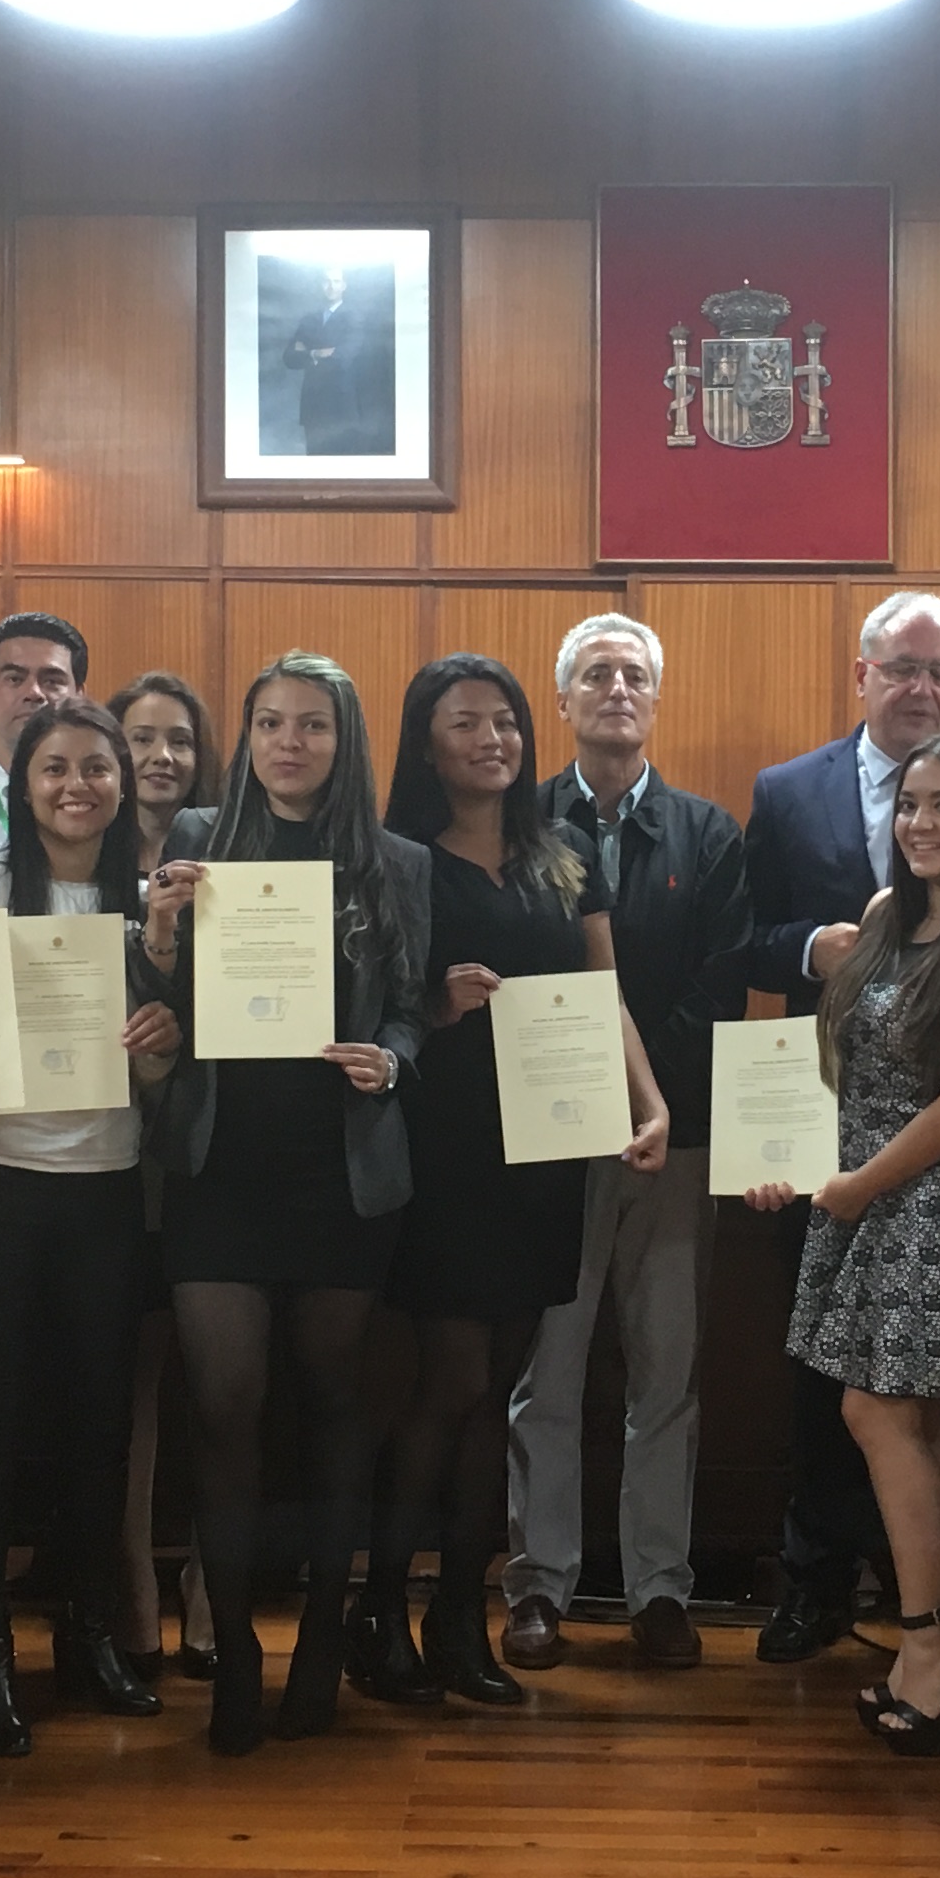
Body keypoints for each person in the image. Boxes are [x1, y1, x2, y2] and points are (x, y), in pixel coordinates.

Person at [745, 591, 940, 1677]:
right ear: (864, 672)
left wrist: (852, 1184)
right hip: (857, 1187)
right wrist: (790, 1159)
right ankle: (939, 1625)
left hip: (930, 1195)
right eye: (911, 808)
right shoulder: (882, 910)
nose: (922, 823)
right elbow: (821, 1043)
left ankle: (930, 1637)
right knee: (898, 1419)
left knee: (895, 1413)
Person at [135, 652, 431, 1756]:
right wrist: (162, 931)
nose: (290, 742)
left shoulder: (395, 862)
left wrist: (390, 1062)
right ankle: (236, 1658)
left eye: (312, 725)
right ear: (247, 738)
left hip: (341, 1175)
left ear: (344, 742)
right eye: (270, 723)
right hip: (220, 1169)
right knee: (226, 1407)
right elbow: (160, 1000)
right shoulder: (200, 840)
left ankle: (317, 1640)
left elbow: (410, 1009)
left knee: (334, 1411)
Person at [370, 653, 672, 1708]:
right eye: (465, 723)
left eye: (503, 722)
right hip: (447, 1149)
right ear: (424, 741)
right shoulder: (398, 858)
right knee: (448, 1386)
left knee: (496, 1388)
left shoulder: (564, 849)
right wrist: (438, 1003)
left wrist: (651, 1100)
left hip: (545, 1150)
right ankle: (382, 1612)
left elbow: (606, 990)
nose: (491, 739)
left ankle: (460, 1617)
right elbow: (372, 1006)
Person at [0, 698, 180, 1754]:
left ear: (123, 784)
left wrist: (161, 1035)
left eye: (97, 767)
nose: (77, 785)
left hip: (107, 1187)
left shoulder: (151, 902)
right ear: (21, 784)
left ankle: (90, 1637)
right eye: (54, 769)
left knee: (97, 1427)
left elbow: (167, 1080)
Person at [505, 612, 745, 1673]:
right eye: (595, 674)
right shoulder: (518, 827)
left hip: (674, 1140)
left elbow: (718, 989)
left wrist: (650, 1103)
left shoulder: (707, 834)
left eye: (633, 675)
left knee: (668, 1370)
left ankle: (658, 1588)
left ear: (656, 699)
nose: (615, 689)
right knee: (546, 1375)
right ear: (562, 702)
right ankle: (539, 1587)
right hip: (546, 1141)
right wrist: (590, 1094)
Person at [111, 672, 219, 1683]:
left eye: (179, 740)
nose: (160, 757)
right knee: (134, 1383)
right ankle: (133, 1585)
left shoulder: (230, 858)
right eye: (139, 739)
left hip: (209, 1153)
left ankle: (207, 1589)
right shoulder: (85, 858)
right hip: (106, 1156)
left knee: (218, 1384)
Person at [0, 609, 90, 882]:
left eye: (52, 681)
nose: (33, 693)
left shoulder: (97, 798)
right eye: (15, 679)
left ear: (79, 697)